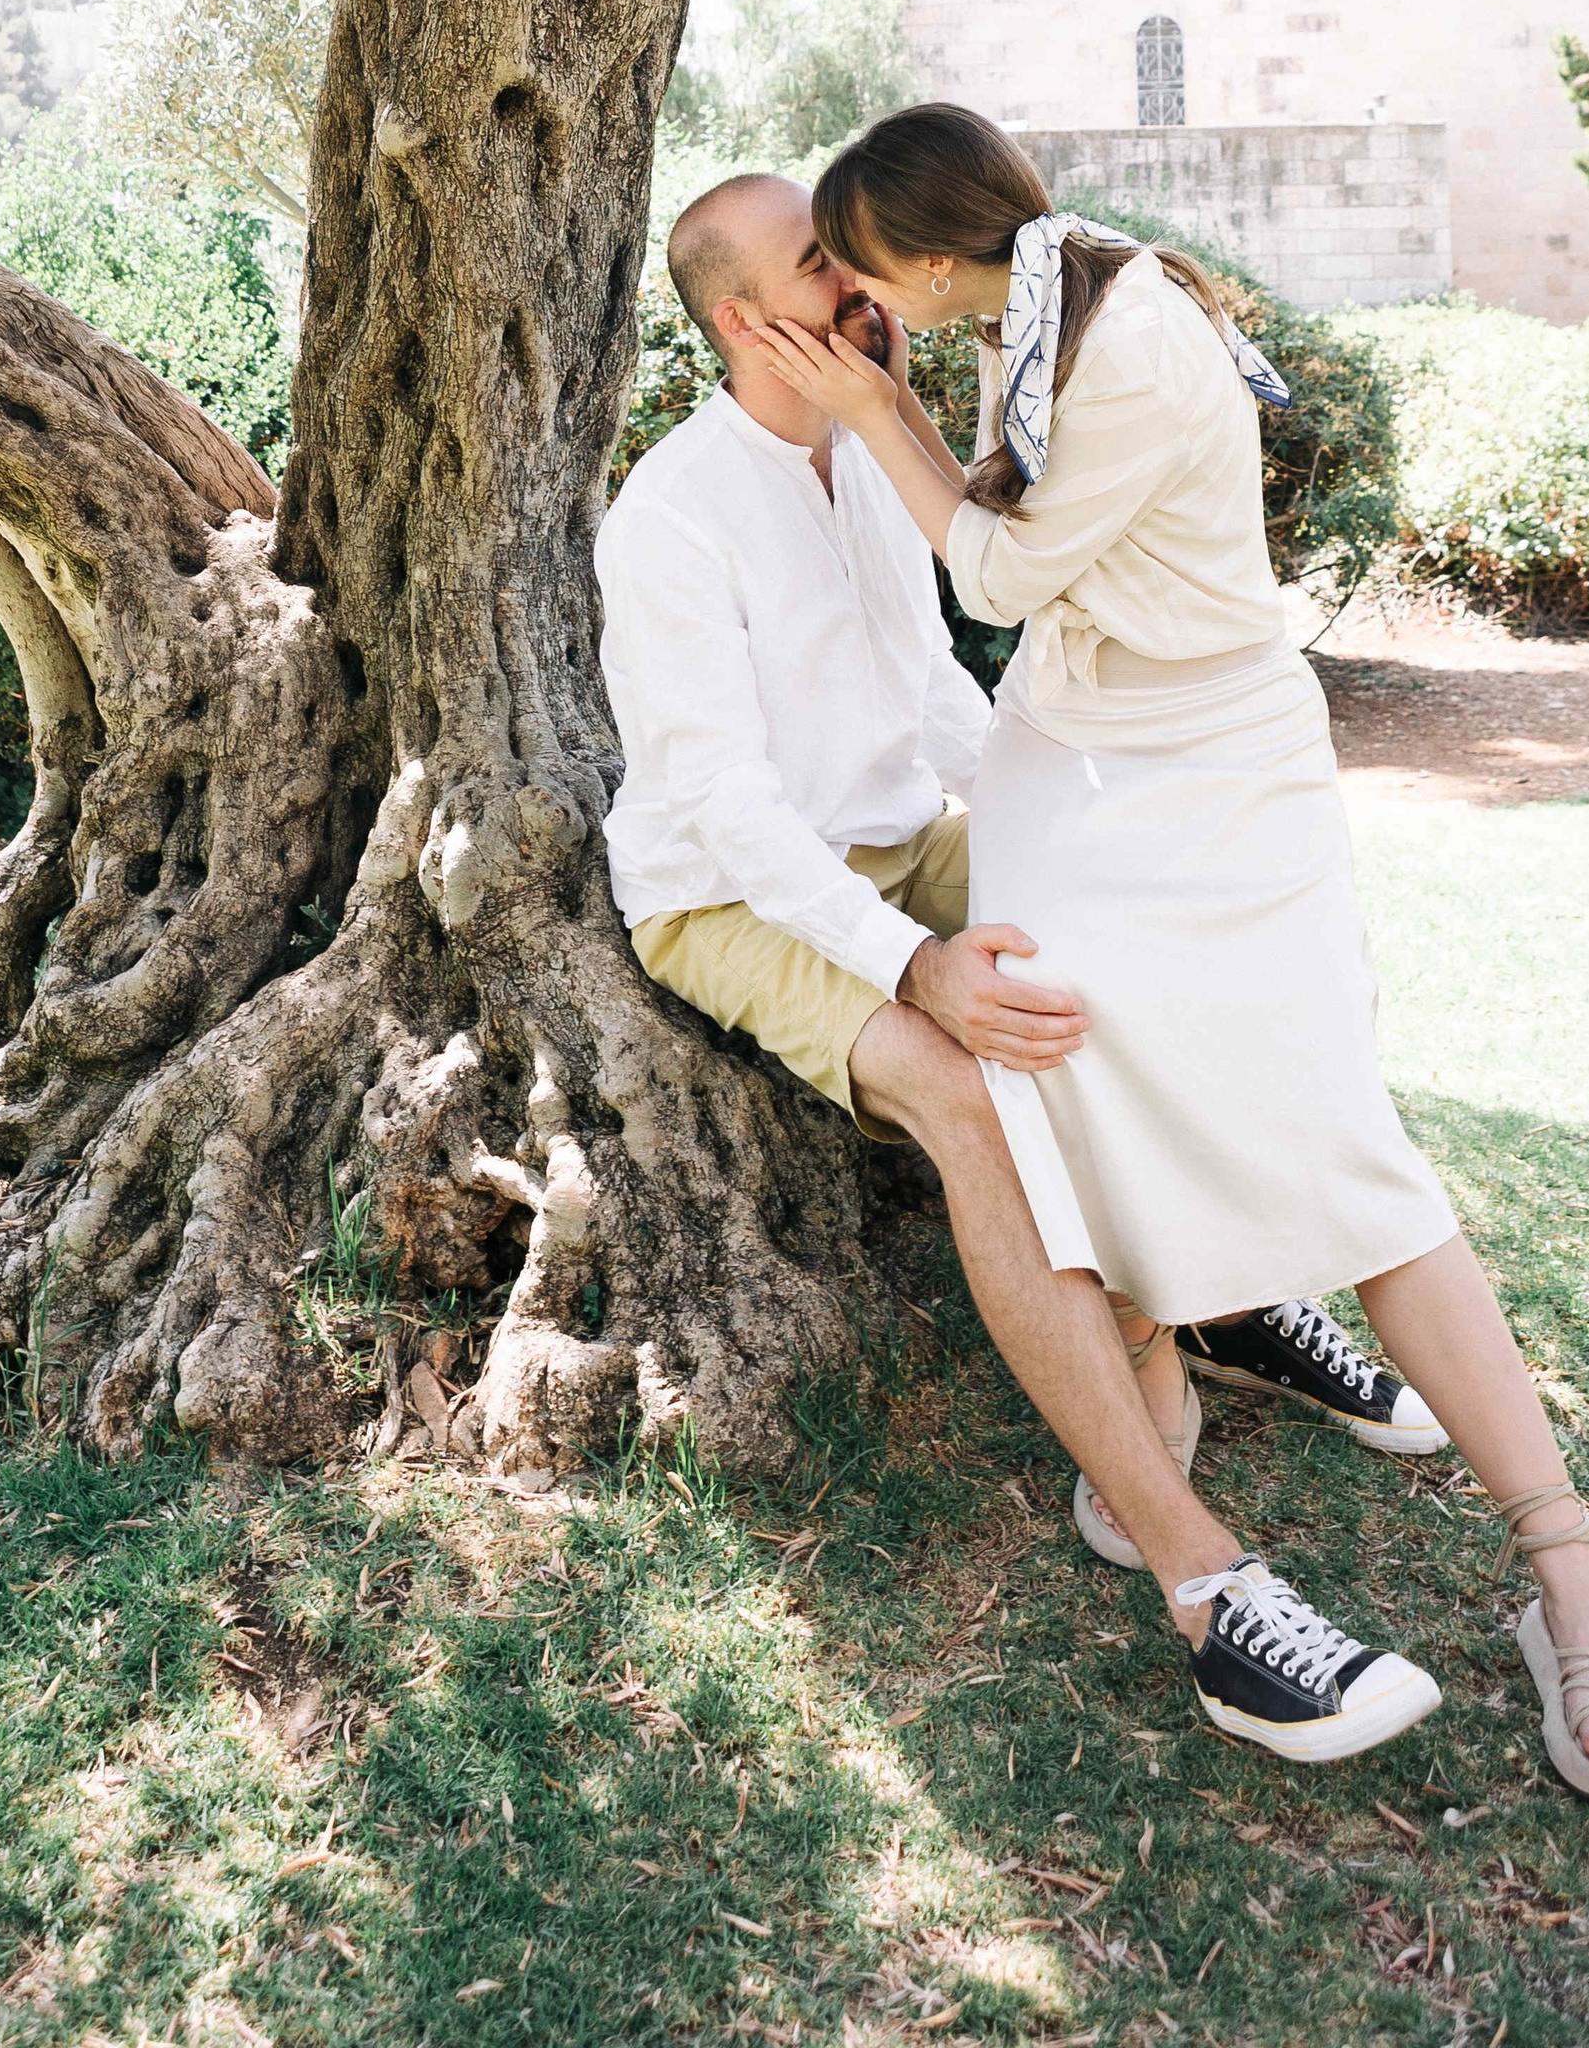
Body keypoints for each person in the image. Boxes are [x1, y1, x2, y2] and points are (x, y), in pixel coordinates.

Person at [740, 103, 1589, 1815]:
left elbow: (1005, 572)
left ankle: (1574, 1582)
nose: (860, 307)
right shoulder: (1039, 294)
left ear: (931, 259)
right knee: (1067, 1063)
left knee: (1352, 1145)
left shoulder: (1122, 333)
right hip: (1073, 779)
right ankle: (1175, 1351)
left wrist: (872, 410)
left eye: (866, 277)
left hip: (1219, 788)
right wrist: (893, 396)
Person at [597, 167, 1447, 1768]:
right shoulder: (672, 515)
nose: (860, 286)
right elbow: (724, 805)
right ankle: (1209, 1591)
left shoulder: (866, 454)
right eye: (818, 266)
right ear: (739, 319)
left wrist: (1075, 832)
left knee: (1133, 959)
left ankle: (1228, 1297)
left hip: (905, 833)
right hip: (729, 893)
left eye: (855, 258)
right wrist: (914, 969)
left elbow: (934, 697)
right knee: (978, 1095)